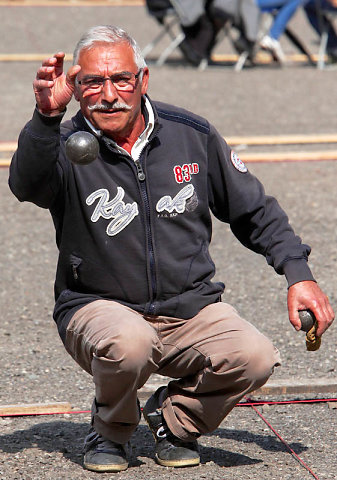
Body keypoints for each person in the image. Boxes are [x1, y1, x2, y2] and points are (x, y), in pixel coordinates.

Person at [9, 25, 334, 473]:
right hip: (99, 306)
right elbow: (25, 185)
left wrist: (299, 274)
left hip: (189, 307)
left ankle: (176, 421)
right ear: (75, 88)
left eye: (121, 79)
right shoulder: (64, 145)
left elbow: (253, 210)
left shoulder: (190, 136)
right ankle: (110, 432)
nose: (108, 95)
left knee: (255, 355)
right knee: (130, 341)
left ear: (143, 80)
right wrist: (45, 119)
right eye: (92, 82)